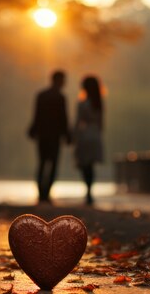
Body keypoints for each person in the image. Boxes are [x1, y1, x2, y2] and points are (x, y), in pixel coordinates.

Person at [28, 70, 71, 203]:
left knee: (42, 163)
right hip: (55, 136)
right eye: (63, 80)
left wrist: (33, 130)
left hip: (42, 135)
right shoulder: (60, 97)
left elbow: (36, 115)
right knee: (53, 164)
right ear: (59, 80)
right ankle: (46, 192)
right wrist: (67, 134)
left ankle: (41, 192)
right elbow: (64, 118)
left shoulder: (41, 95)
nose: (64, 82)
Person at [73, 75, 104, 206]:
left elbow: (78, 121)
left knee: (84, 164)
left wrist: (74, 136)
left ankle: (88, 191)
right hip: (95, 134)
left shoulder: (82, 103)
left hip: (85, 135)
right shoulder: (99, 103)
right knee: (90, 165)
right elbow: (102, 123)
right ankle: (90, 192)